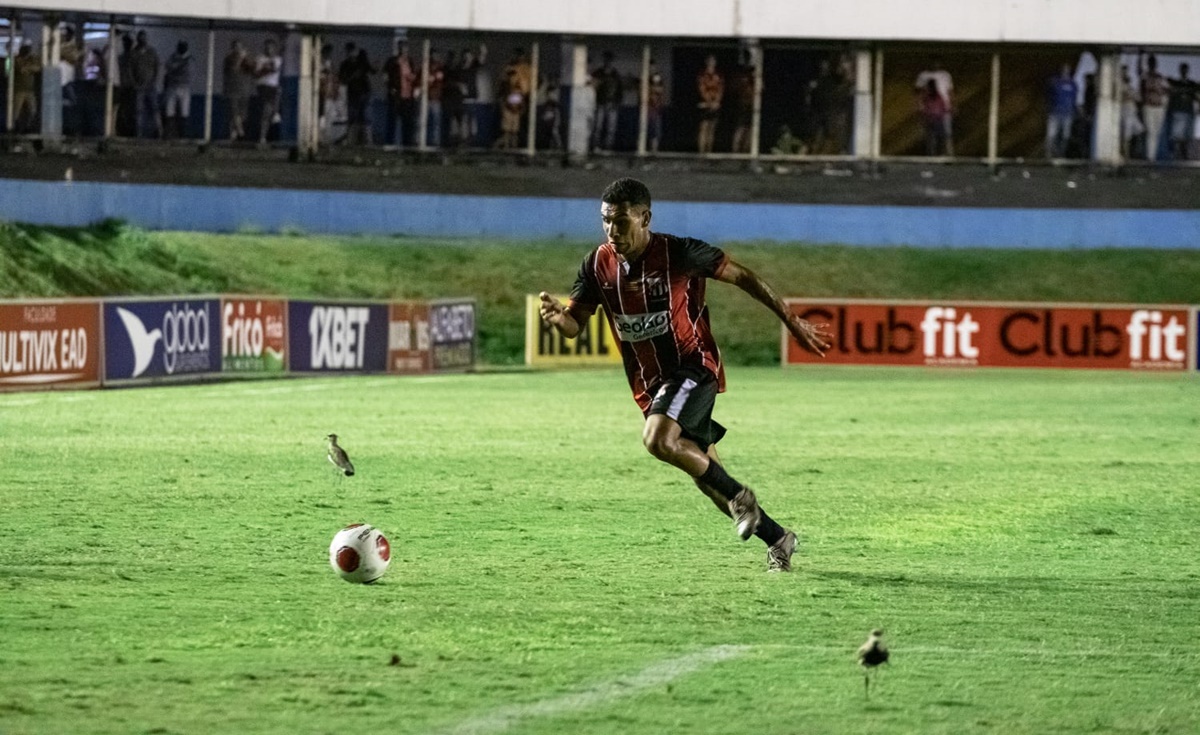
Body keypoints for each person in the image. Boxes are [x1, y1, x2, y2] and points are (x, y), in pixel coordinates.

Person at [537, 178, 832, 573]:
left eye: (621, 221)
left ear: (645, 218)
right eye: (606, 221)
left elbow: (742, 276)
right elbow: (576, 323)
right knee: (710, 481)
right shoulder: (596, 265)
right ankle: (778, 538)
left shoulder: (679, 252)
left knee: (658, 439)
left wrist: (791, 320)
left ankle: (741, 496)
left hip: (693, 366)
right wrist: (560, 319)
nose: (612, 230)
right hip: (650, 385)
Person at [914, 58, 953, 156]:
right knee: (930, 133)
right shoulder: (923, 75)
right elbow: (918, 92)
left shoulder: (945, 75)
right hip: (929, 110)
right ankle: (931, 154)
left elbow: (950, 90)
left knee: (946, 133)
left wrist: (952, 105)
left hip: (943, 110)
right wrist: (919, 105)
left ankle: (947, 154)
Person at [1045, 63, 1078, 159]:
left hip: (1067, 114)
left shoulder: (1073, 84)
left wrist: (1074, 111)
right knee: (1051, 135)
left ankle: (1061, 154)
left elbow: (1074, 99)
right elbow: (1049, 94)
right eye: (1064, 69)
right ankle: (1049, 155)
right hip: (1055, 113)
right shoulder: (1055, 82)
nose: (1065, 71)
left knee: (1065, 136)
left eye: (1067, 70)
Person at [161, 40, 193, 139]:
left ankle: (182, 135)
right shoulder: (173, 57)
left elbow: (188, 72)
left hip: (185, 87)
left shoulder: (190, 59)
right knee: (169, 111)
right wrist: (179, 65)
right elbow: (169, 67)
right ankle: (169, 134)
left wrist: (177, 67)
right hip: (172, 87)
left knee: (184, 112)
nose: (181, 48)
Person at [254, 38, 283, 145]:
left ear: (274, 49)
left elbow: (275, 69)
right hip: (263, 87)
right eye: (267, 47)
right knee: (266, 111)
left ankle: (275, 113)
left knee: (267, 113)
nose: (269, 49)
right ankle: (262, 137)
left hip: (273, 87)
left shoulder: (278, 59)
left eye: (271, 47)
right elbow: (257, 73)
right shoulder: (260, 58)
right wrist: (266, 69)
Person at [223, 40, 252, 141]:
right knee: (234, 112)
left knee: (243, 114)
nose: (238, 49)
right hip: (232, 89)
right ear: (233, 48)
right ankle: (240, 132)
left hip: (244, 88)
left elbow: (251, 69)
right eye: (236, 47)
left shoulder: (245, 59)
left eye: (240, 47)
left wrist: (247, 58)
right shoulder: (229, 58)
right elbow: (233, 69)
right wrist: (241, 58)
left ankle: (234, 134)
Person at [696, 54, 723, 154]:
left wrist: (716, 101)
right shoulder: (702, 75)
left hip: (715, 105)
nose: (711, 63)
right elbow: (701, 89)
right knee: (703, 128)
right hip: (704, 104)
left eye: (713, 61)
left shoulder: (718, 75)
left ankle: (709, 152)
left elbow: (721, 89)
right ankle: (701, 152)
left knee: (712, 130)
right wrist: (709, 102)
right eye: (710, 61)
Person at [917, 78, 949, 156]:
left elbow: (943, 107)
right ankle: (932, 154)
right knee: (931, 139)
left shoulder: (936, 96)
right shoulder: (927, 97)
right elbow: (924, 108)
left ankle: (939, 153)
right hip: (931, 119)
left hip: (937, 119)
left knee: (939, 138)